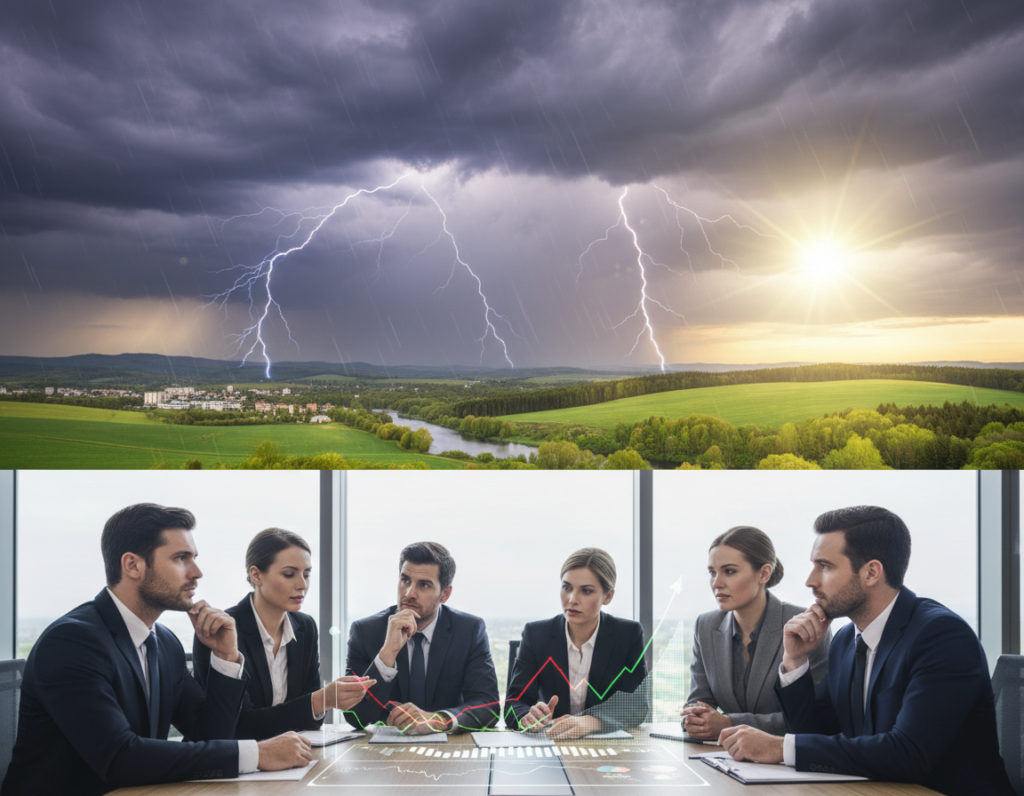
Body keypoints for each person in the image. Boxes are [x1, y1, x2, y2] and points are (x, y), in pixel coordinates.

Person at [1, 503, 312, 796]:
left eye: (194, 557)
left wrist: (226, 658)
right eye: (181, 558)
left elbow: (210, 735)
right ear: (133, 565)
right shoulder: (72, 642)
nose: (197, 572)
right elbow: (120, 758)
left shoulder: (164, 643)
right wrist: (256, 753)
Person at [718, 505, 1015, 796]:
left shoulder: (942, 636)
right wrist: (795, 660)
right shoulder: (847, 640)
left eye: (825, 566)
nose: (810, 581)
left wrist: (778, 747)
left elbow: (907, 754)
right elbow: (816, 736)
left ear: (871, 572)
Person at [192, 528, 373, 739]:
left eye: (306, 574)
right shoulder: (220, 632)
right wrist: (322, 700)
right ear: (256, 574)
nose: (302, 585)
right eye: (289, 574)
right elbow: (236, 726)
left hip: (290, 758)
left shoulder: (305, 627)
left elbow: (309, 723)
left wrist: (322, 700)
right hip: (234, 762)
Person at [682, 526, 830, 740]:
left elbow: (816, 717)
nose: (716, 583)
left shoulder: (804, 625)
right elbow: (699, 699)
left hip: (788, 761)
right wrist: (695, 718)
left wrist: (729, 723)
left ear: (764, 573)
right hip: (728, 757)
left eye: (729, 571)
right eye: (712, 572)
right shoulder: (706, 625)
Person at [345, 542, 500, 734]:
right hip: (386, 750)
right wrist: (387, 653)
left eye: (424, 585)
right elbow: (354, 715)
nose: (409, 593)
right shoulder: (366, 631)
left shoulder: (469, 631)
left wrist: (439, 720)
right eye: (405, 581)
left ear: (444, 594)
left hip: (449, 749)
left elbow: (488, 706)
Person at [505, 548, 650, 739]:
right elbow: (514, 703)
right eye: (567, 587)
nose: (572, 600)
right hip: (551, 743)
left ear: (608, 596)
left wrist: (592, 721)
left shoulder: (628, 634)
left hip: (606, 747)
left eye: (586, 591)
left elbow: (637, 706)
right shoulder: (536, 634)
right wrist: (527, 717)